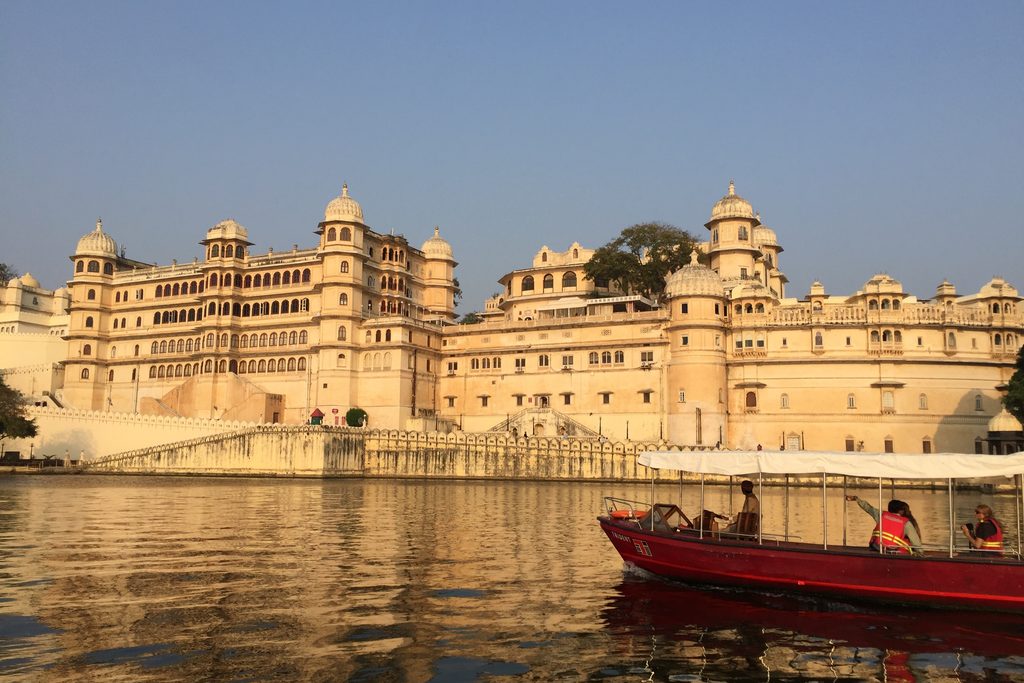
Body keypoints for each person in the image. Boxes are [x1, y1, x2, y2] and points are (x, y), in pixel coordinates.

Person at [846, 495, 922, 554]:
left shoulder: (882, 515)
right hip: (897, 552)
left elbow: (868, 508)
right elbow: (916, 543)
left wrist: (857, 499)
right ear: (902, 511)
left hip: (877, 547)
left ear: (890, 510)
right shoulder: (906, 523)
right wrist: (920, 554)